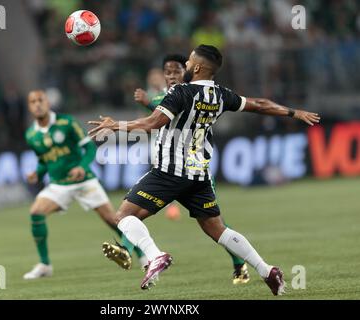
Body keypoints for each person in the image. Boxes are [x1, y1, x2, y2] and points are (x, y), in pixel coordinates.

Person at [88, 45, 320, 295]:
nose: (185, 65)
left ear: (197, 67)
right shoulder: (221, 95)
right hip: (199, 174)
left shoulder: (181, 92)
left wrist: (116, 126)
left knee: (122, 216)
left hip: (170, 170)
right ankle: (267, 270)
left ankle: (156, 256)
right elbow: (260, 104)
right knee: (217, 229)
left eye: (188, 62)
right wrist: (294, 112)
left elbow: (152, 123)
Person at [106, 54, 251, 285]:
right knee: (134, 212)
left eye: (176, 71)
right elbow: (156, 117)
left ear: (188, 71)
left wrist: (146, 104)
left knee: (214, 223)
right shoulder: (167, 96)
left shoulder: (191, 94)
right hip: (169, 169)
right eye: (168, 72)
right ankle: (129, 249)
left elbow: (158, 116)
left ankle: (239, 263)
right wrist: (149, 104)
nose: (172, 76)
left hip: (194, 170)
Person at [23, 90, 145, 279]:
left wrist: (81, 166)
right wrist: (37, 174)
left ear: (48, 103)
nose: (37, 104)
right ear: (29, 107)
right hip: (59, 184)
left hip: (84, 181)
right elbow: (43, 160)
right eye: (33, 102)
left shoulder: (67, 123)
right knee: (36, 213)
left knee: (113, 221)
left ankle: (142, 255)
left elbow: (88, 148)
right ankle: (45, 265)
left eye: (41, 100)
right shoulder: (31, 134)